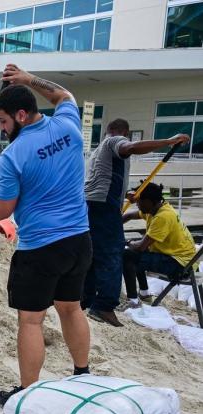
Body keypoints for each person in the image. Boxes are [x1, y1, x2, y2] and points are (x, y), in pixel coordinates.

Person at [0, 64, 92, 407]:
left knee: (31, 320)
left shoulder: (14, 155)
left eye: (3, 120)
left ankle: (28, 394)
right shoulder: (69, 126)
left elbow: (2, 208)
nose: (1, 127)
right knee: (71, 309)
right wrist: (29, 79)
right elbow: (63, 94)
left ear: (22, 115)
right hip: (79, 241)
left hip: (40, 247)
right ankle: (82, 374)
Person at [82, 119, 190, 326]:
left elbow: (107, 180)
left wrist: (126, 197)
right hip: (104, 206)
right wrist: (169, 141)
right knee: (113, 254)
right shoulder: (115, 141)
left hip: (93, 205)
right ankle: (104, 306)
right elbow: (129, 147)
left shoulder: (99, 152)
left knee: (95, 254)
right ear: (123, 133)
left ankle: (86, 299)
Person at [122, 183, 197, 306]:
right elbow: (129, 215)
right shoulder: (154, 208)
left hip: (180, 264)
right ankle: (144, 295)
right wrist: (112, 225)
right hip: (177, 257)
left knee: (127, 255)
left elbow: (141, 246)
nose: (137, 204)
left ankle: (133, 301)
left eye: (139, 201)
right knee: (134, 253)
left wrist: (125, 242)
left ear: (149, 201)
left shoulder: (162, 216)